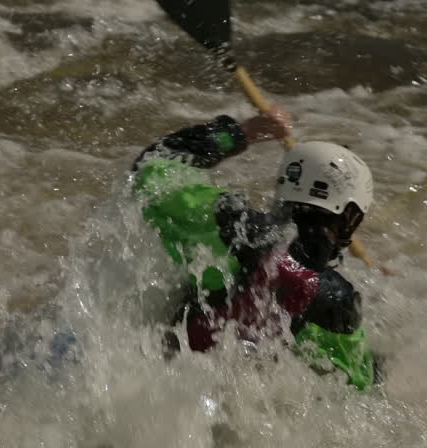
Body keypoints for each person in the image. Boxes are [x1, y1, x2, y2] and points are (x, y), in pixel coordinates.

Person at [131, 107, 377, 390]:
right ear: (349, 218)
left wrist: (240, 133)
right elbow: (358, 390)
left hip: (162, 380)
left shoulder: (227, 225)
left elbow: (153, 164)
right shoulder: (335, 303)